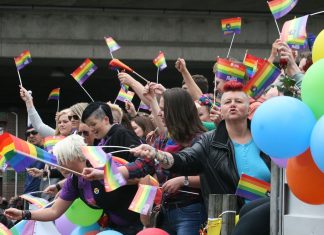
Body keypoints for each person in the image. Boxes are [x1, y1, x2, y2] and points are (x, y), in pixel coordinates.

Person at [130, 81, 271, 235]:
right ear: (220, 109)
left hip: (267, 219)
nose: (233, 105)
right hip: (225, 216)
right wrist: (156, 154)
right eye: (227, 101)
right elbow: (185, 159)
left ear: (248, 108)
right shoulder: (208, 141)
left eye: (238, 101)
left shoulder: (266, 140)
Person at [84, 87, 207, 235]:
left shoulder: (201, 140)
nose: (159, 113)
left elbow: (213, 178)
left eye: (163, 109)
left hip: (191, 211)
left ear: (177, 110)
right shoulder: (163, 138)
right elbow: (141, 165)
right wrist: (102, 173)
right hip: (165, 210)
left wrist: (183, 180)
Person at [4, 135, 143, 235]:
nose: (58, 165)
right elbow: (54, 211)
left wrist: (146, 221)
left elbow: (142, 179)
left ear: (76, 156)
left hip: (140, 224)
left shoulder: (102, 164)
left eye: (62, 159)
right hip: (116, 227)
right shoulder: (74, 180)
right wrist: (23, 214)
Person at [24, 126, 45, 195]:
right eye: (28, 134)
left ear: (42, 133)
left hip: (44, 195)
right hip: (28, 195)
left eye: (34, 132)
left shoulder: (49, 151)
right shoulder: (28, 153)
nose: (31, 136)